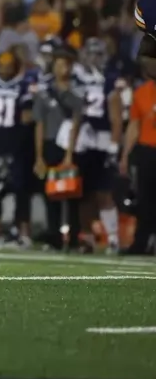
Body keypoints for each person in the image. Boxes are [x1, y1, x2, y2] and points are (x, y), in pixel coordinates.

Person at [0, 50, 36, 248]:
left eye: (9, 64)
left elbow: (27, 119)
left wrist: (17, 147)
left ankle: (24, 234)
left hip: (15, 147)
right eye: (2, 64)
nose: (5, 68)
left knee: (21, 191)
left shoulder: (23, 86)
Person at [72, 38, 122, 253]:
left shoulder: (109, 80)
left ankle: (112, 238)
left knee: (104, 193)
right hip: (84, 141)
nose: (93, 59)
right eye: (90, 54)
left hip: (102, 140)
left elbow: (116, 117)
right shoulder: (79, 80)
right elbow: (75, 115)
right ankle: (88, 238)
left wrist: (113, 145)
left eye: (97, 54)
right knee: (83, 194)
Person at [33, 50, 84, 250]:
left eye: (66, 64)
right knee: (51, 194)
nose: (63, 68)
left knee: (72, 194)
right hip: (50, 144)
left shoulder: (76, 94)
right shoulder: (44, 94)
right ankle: (54, 235)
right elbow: (39, 126)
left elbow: (76, 125)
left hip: (70, 146)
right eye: (59, 64)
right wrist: (39, 156)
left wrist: (69, 154)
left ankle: (73, 237)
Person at [121, 75, 156, 256]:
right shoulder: (142, 92)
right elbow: (134, 125)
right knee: (145, 200)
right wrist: (125, 155)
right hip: (147, 151)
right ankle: (141, 243)